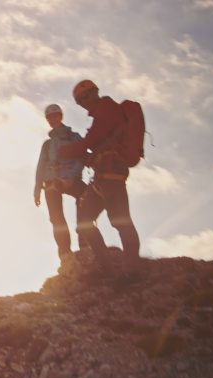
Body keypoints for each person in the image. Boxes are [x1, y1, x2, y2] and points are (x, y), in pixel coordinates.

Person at [58, 80, 140, 262]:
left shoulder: (107, 109)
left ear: (94, 93)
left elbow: (90, 141)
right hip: (103, 176)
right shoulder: (103, 114)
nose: (84, 103)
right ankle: (105, 263)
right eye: (80, 101)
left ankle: (133, 267)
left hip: (111, 174)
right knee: (86, 223)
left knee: (120, 221)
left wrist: (66, 152)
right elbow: (96, 145)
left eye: (84, 98)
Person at [34, 104, 88, 262]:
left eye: (54, 116)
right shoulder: (47, 145)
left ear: (60, 116)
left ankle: (85, 243)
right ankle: (65, 255)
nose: (52, 120)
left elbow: (82, 158)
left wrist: (72, 176)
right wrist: (37, 189)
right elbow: (41, 166)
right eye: (49, 117)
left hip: (72, 179)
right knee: (56, 219)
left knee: (86, 202)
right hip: (51, 182)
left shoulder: (75, 137)